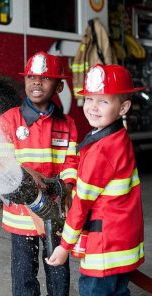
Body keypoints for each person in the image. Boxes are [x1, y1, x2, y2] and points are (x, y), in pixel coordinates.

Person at [46, 64, 145, 296]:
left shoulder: (102, 150)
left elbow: (82, 204)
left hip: (105, 251)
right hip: (123, 243)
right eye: (89, 99)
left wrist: (64, 247)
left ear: (124, 107)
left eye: (103, 101)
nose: (92, 107)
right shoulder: (118, 137)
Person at [0, 51, 79, 296]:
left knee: (58, 271)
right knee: (23, 277)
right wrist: (24, 172)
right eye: (31, 76)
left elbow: (71, 161)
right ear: (24, 80)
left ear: (59, 85)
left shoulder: (67, 125)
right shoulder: (9, 120)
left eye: (45, 78)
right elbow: (1, 161)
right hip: (20, 218)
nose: (36, 83)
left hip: (55, 215)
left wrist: (67, 188)